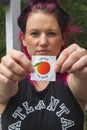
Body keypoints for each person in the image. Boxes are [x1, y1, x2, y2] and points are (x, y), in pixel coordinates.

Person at [0, 0, 87, 130]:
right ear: (24, 39)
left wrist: (83, 72)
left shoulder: (74, 80)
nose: (43, 42)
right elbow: (3, 91)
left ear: (63, 38)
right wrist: (4, 79)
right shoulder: (12, 80)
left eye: (51, 33)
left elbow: (83, 83)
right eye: (35, 33)